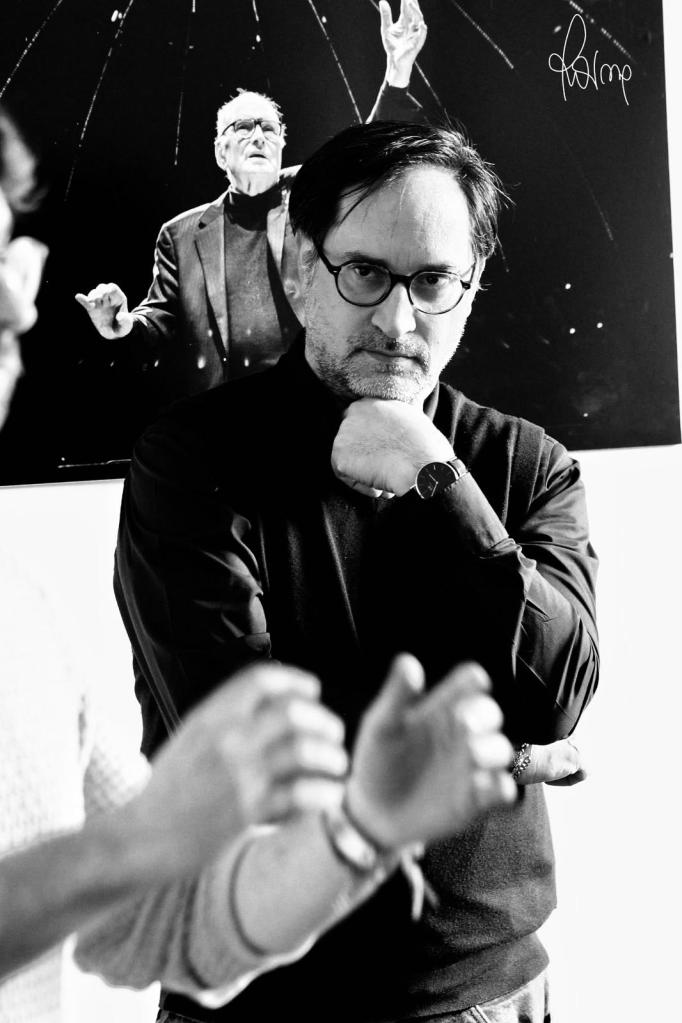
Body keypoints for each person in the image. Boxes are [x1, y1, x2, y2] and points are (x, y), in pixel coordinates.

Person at [95, 120, 599, 1022]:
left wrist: (435, 477)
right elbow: (260, 758)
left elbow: (556, 692)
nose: (398, 323)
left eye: (434, 282)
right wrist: (511, 754)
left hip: (488, 990)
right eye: (364, 272)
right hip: (260, 996)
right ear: (299, 265)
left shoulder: (528, 465)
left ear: (471, 288)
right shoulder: (189, 462)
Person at [74, 0, 429, 402]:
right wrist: (122, 324)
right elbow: (161, 319)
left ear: (281, 146)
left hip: (318, 403)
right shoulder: (180, 234)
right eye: (243, 127)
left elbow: (367, 156)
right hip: (228, 411)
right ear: (220, 152)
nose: (258, 136)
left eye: (269, 128)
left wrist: (397, 73)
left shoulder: (310, 193)